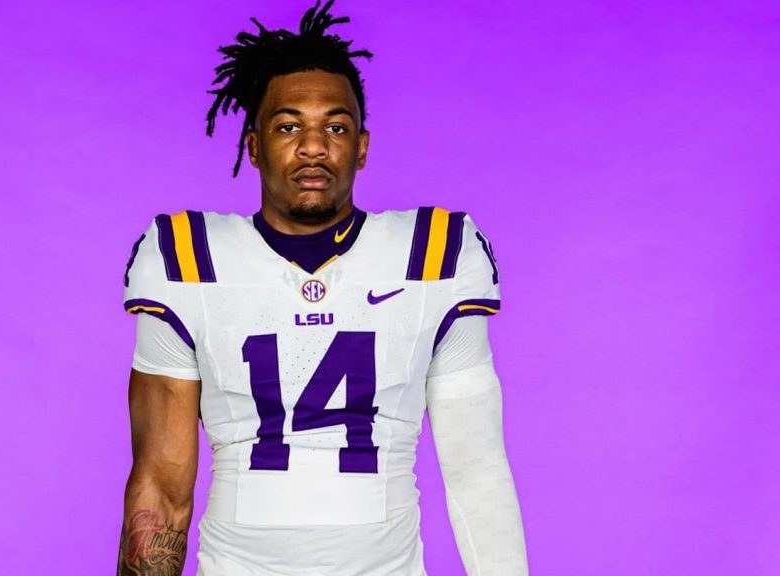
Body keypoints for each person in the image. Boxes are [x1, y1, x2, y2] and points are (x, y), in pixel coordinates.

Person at [117, 2, 529, 574]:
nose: (313, 146)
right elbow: (161, 490)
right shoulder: (187, 258)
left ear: (361, 146)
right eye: (289, 126)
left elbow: (475, 468)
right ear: (254, 145)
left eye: (335, 127)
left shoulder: (436, 253)